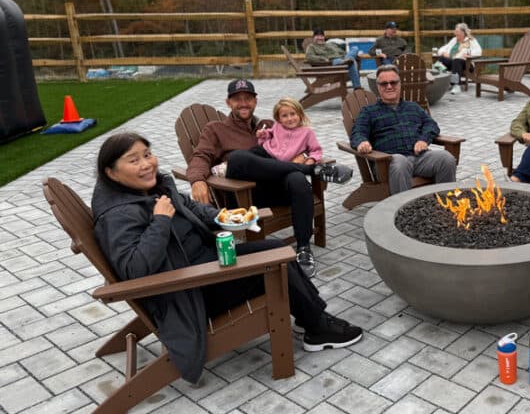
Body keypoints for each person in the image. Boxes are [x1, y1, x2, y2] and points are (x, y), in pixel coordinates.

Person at [92, 132, 363, 383]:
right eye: (134, 160)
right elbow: (135, 270)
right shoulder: (118, 216)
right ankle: (317, 325)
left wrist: (224, 216)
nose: (146, 164)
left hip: (206, 267)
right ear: (111, 173)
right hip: (190, 290)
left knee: (276, 248)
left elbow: (192, 207)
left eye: (147, 154)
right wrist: (161, 221)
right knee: (273, 265)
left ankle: (313, 318)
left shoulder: (153, 190)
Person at [186, 80, 348, 277]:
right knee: (238, 158)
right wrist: (197, 180)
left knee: (297, 179)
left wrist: (305, 156)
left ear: (255, 101)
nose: (243, 103)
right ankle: (314, 171)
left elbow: (298, 141)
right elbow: (200, 156)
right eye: (237, 99)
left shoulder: (269, 126)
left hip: (275, 188)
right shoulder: (216, 129)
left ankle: (304, 248)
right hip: (245, 196)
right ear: (228, 102)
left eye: (248, 98)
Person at [350, 64, 457, 194]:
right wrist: (362, 142)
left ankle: (445, 202)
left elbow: (431, 125)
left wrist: (423, 140)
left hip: (419, 158)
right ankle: (403, 206)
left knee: (446, 158)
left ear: (400, 84)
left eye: (393, 82)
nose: (389, 86)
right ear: (378, 87)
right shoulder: (369, 112)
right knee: (400, 161)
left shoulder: (413, 107)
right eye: (384, 84)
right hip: (387, 162)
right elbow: (358, 132)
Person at [435, 22, 482, 95]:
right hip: (453, 61)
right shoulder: (454, 40)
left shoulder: (471, 40)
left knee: (456, 60)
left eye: (457, 31)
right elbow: (444, 48)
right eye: (455, 31)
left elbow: (479, 51)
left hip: (466, 63)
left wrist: (469, 53)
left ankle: (456, 85)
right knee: (441, 60)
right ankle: (443, 80)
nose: (455, 33)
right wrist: (443, 52)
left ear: (463, 32)